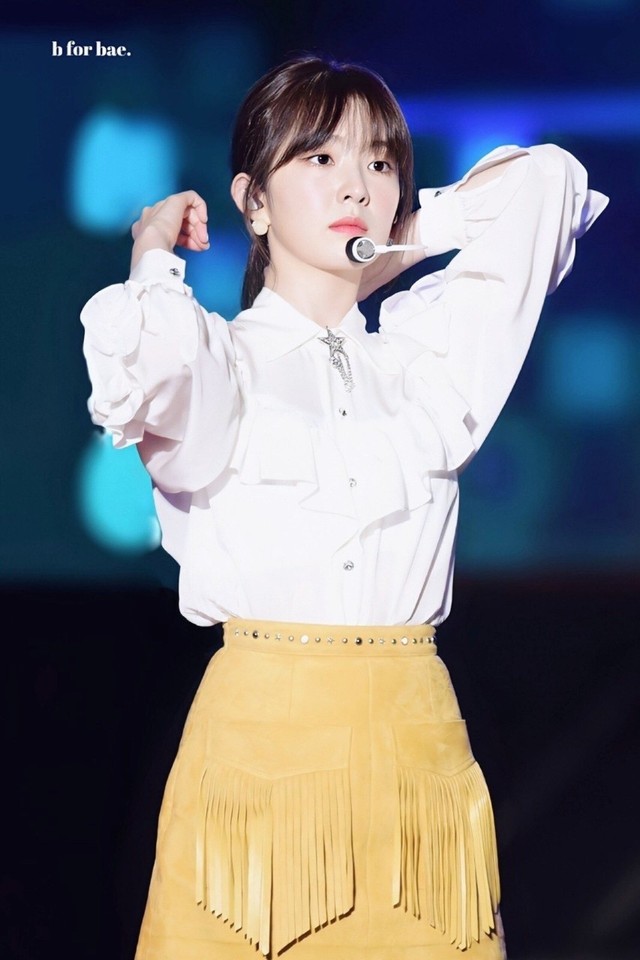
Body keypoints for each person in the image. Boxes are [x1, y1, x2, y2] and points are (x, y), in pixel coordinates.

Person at [80, 55, 607, 960]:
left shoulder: (422, 362)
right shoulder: (220, 362)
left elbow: (545, 186)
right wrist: (153, 253)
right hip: (261, 758)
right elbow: (145, 359)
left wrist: (392, 239)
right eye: (319, 159)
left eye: (378, 160)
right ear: (252, 201)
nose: (356, 183)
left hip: (416, 759)